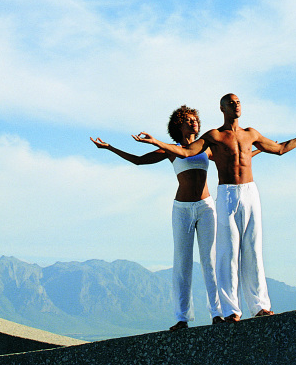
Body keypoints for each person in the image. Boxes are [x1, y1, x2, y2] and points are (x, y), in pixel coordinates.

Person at [133, 93, 296, 322]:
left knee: (253, 249)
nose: (236, 105)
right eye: (231, 103)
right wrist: (155, 142)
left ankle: (260, 306)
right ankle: (230, 310)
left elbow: (280, 148)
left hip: (250, 192)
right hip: (226, 194)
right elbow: (185, 152)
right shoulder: (214, 136)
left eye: (238, 102)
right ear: (222, 109)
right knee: (228, 252)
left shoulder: (250, 133)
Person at [90, 106, 227, 330]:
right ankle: (182, 318)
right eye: (188, 120)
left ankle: (218, 313)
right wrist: (109, 148)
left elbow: (234, 156)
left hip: (205, 207)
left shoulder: (207, 148)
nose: (194, 123)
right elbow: (138, 160)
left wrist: (257, 149)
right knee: (182, 263)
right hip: (182, 209)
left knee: (210, 261)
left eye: (195, 120)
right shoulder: (170, 149)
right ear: (178, 125)